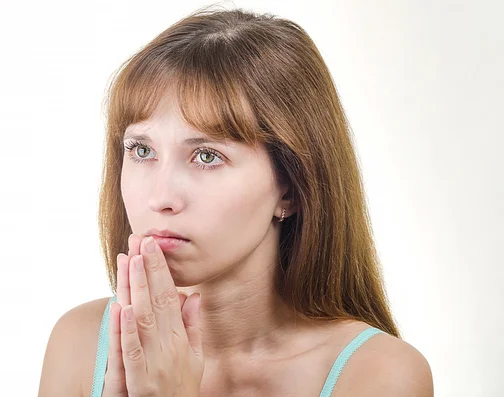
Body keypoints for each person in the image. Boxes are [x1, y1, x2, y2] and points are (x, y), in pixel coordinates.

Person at [38, 6, 433, 397]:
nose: (160, 198)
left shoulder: (379, 375)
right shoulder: (82, 344)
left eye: (207, 156)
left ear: (291, 189)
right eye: (142, 150)